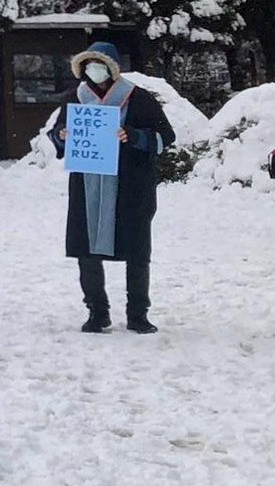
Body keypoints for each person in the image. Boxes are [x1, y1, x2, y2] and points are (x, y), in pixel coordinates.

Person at [48, 41, 176, 334]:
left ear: (112, 68)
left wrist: (134, 136)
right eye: (88, 65)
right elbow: (56, 136)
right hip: (87, 186)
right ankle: (97, 311)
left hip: (131, 186)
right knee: (86, 250)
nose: (94, 70)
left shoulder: (139, 99)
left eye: (100, 64)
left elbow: (165, 136)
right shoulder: (75, 99)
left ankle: (138, 313)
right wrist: (62, 135)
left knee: (136, 250)